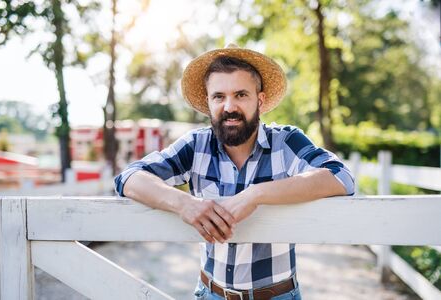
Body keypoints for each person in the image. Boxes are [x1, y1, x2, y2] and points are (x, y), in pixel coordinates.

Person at [114, 44, 355, 300]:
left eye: (240, 95)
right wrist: (184, 203)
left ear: (259, 100)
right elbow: (129, 178)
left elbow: (341, 177)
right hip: (210, 294)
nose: (229, 106)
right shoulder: (196, 145)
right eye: (219, 96)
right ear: (208, 102)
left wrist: (256, 194)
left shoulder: (286, 142)